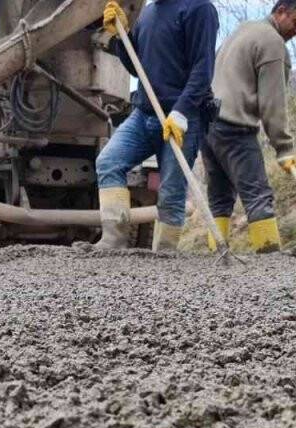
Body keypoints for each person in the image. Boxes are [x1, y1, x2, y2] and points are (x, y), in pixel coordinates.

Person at [93, 0, 219, 251]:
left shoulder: (199, 9)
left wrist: (181, 112)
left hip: (184, 117)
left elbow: (202, 70)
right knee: (108, 161)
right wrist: (121, 37)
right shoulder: (149, 12)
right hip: (145, 113)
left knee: (171, 191)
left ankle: (165, 253)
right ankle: (113, 240)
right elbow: (138, 68)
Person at [204, 0, 296, 254]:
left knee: (219, 197)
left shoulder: (244, 30)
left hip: (208, 126)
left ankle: (215, 258)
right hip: (234, 128)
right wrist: (284, 147)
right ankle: (270, 261)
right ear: (281, 11)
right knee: (258, 196)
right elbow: (273, 104)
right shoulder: (272, 43)